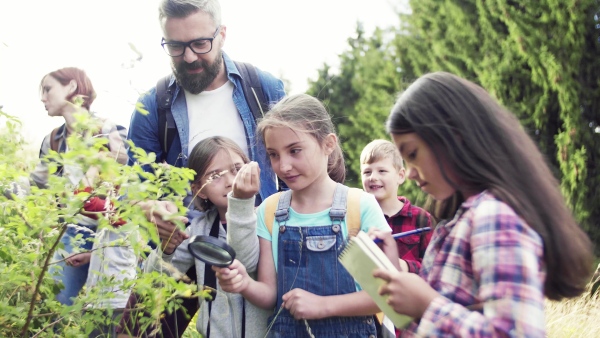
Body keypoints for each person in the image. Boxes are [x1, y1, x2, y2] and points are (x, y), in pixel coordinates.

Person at [372, 71, 594, 337]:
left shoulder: (494, 217)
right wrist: (396, 271)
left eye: (413, 154)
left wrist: (427, 304)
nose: (410, 173)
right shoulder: (461, 220)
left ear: (455, 137)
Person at [214, 94, 396, 338]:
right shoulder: (270, 211)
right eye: (274, 154)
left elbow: (387, 295)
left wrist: (323, 306)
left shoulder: (359, 206)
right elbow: (271, 296)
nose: (284, 166)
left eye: (295, 150)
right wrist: (244, 283)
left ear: (328, 144)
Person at [117, 136, 269, 338]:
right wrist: (166, 249)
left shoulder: (267, 220)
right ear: (199, 191)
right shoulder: (198, 229)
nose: (230, 181)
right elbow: (155, 282)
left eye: (236, 169)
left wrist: (241, 203)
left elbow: (245, 262)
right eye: (215, 176)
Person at [35, 67, 128, 306]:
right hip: (73, 232)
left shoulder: (107, 130)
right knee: (57, 305)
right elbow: (37, 184)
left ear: (72, 87)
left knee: (111, 310)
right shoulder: (53, 140)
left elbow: (133, 178)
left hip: (113, 232)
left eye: (48, 89)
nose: (43, 98)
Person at [360, 139, 433, 275]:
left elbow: (433, 268)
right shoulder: (356, 215)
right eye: (367, 172)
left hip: (409, 293)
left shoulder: (421, 219)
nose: (373, 177)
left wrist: (403, 265)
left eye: (382, 171)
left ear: (400, 176)